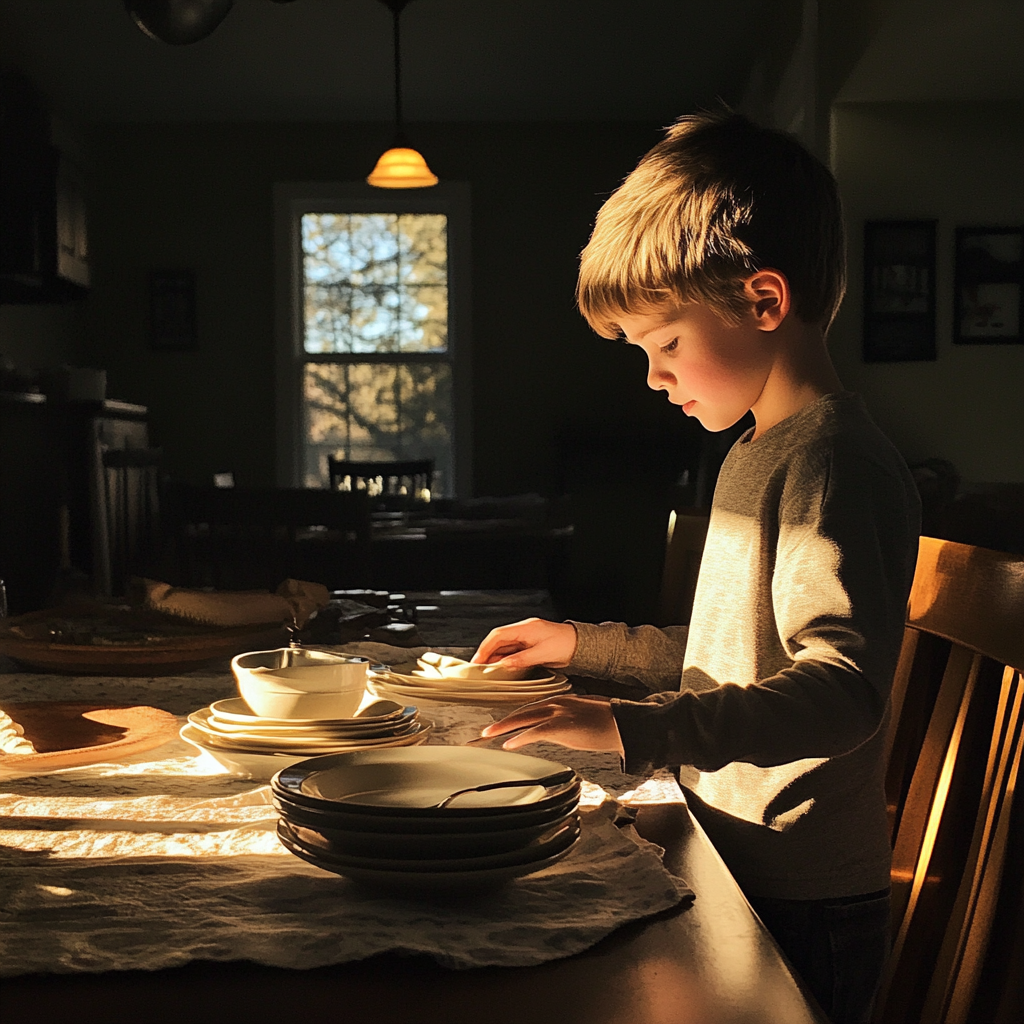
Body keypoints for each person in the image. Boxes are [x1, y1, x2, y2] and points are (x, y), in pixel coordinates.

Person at [473, 111, 920, 1024]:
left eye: (665, 344)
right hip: (731, 856)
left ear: (763, 302)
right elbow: (729, 654)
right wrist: (581, 647)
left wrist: (638, 732)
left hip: (798, 896)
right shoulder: (759, 449)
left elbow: (841, 691)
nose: (653, 377)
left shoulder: (833, 463)